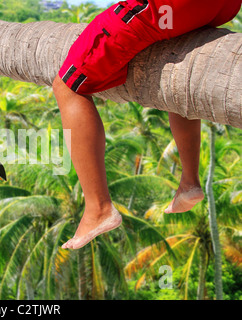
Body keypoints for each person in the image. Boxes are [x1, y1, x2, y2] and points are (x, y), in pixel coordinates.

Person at [54, 0, 241, 250]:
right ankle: (189, 181)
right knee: (172, 49)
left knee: (68, 85)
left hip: (169, 6)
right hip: (222, 6)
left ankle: (98, 208)